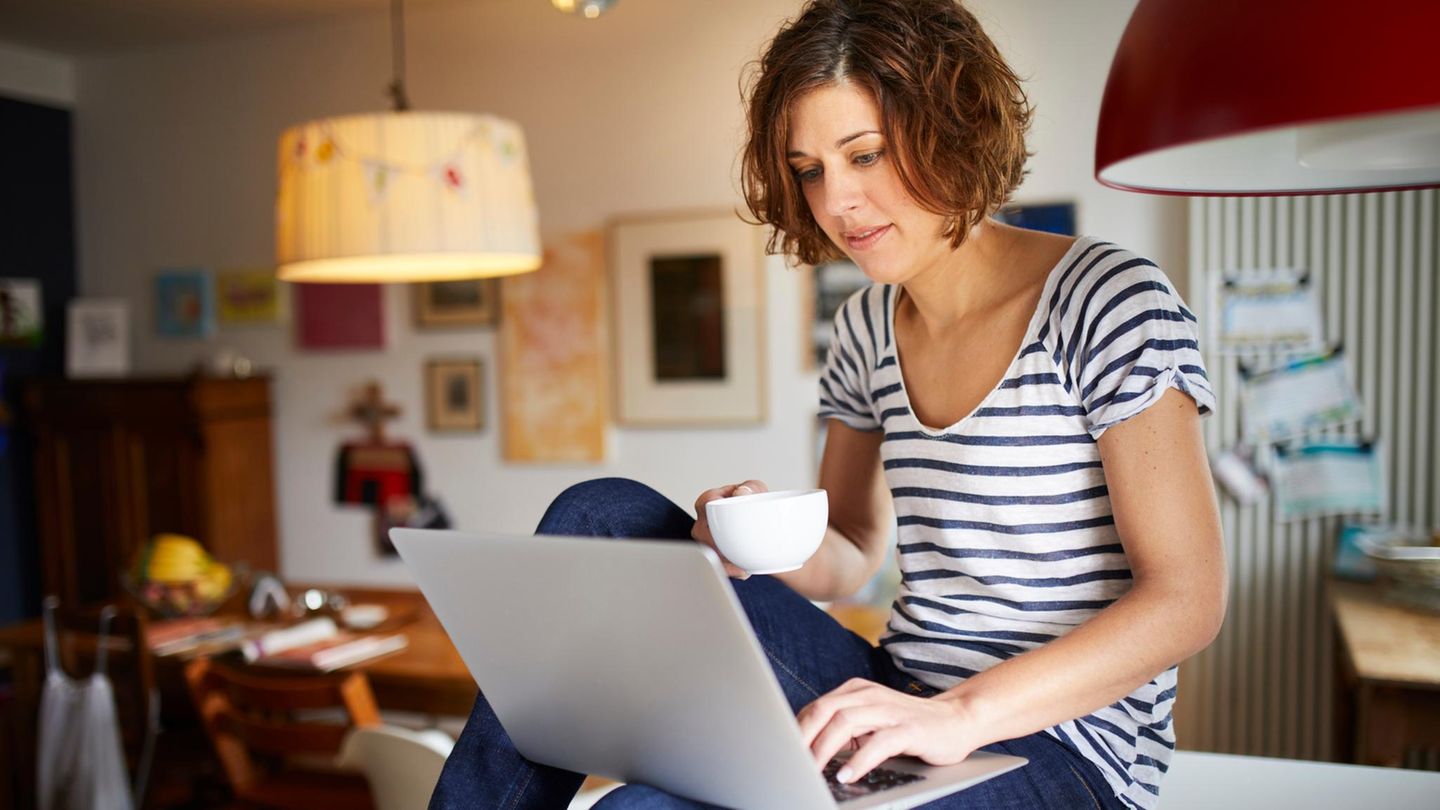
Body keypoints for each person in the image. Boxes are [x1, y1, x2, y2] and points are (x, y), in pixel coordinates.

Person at [429, 1, 1226, 808]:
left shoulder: (1108, 299)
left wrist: (959, 715)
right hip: (898, 697)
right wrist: (751, 545)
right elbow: (850, 547)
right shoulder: (866, 325)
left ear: (952, 127)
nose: (837, 202)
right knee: (600, 513)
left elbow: (1186, 599)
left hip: (1061, 749)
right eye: (811, 169)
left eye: (866, 154)